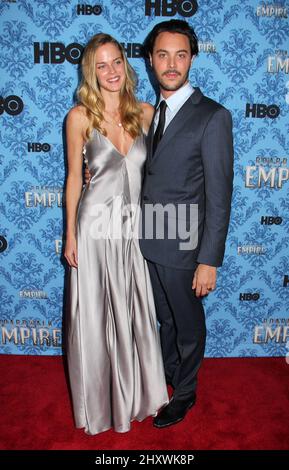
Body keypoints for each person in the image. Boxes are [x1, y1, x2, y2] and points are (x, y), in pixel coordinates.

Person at [85, 20, 234, 429]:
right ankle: (168, 376)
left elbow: (220, 196)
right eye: (163, 55)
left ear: (192, 59)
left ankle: (184, 394)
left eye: (181, 54)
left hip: (184, 242)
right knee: (164, 320)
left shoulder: (213, 116)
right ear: (150, 61)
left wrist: (209, 260)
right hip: (144, 239)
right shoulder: (149, 113)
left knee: (186, 323)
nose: (172, 64)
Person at [64, 33, 168, 436]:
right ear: (90, 71)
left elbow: (158, 172)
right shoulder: (79, 117)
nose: (111, 71)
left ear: (126, 66)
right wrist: (71, 234)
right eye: (101, 65)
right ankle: (101, 403)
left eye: (117, 62)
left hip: (134, 227)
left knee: (135, 310)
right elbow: (74, 178)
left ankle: (138, 395)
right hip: (94, 228)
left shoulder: (144, 113)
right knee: (94, 315)